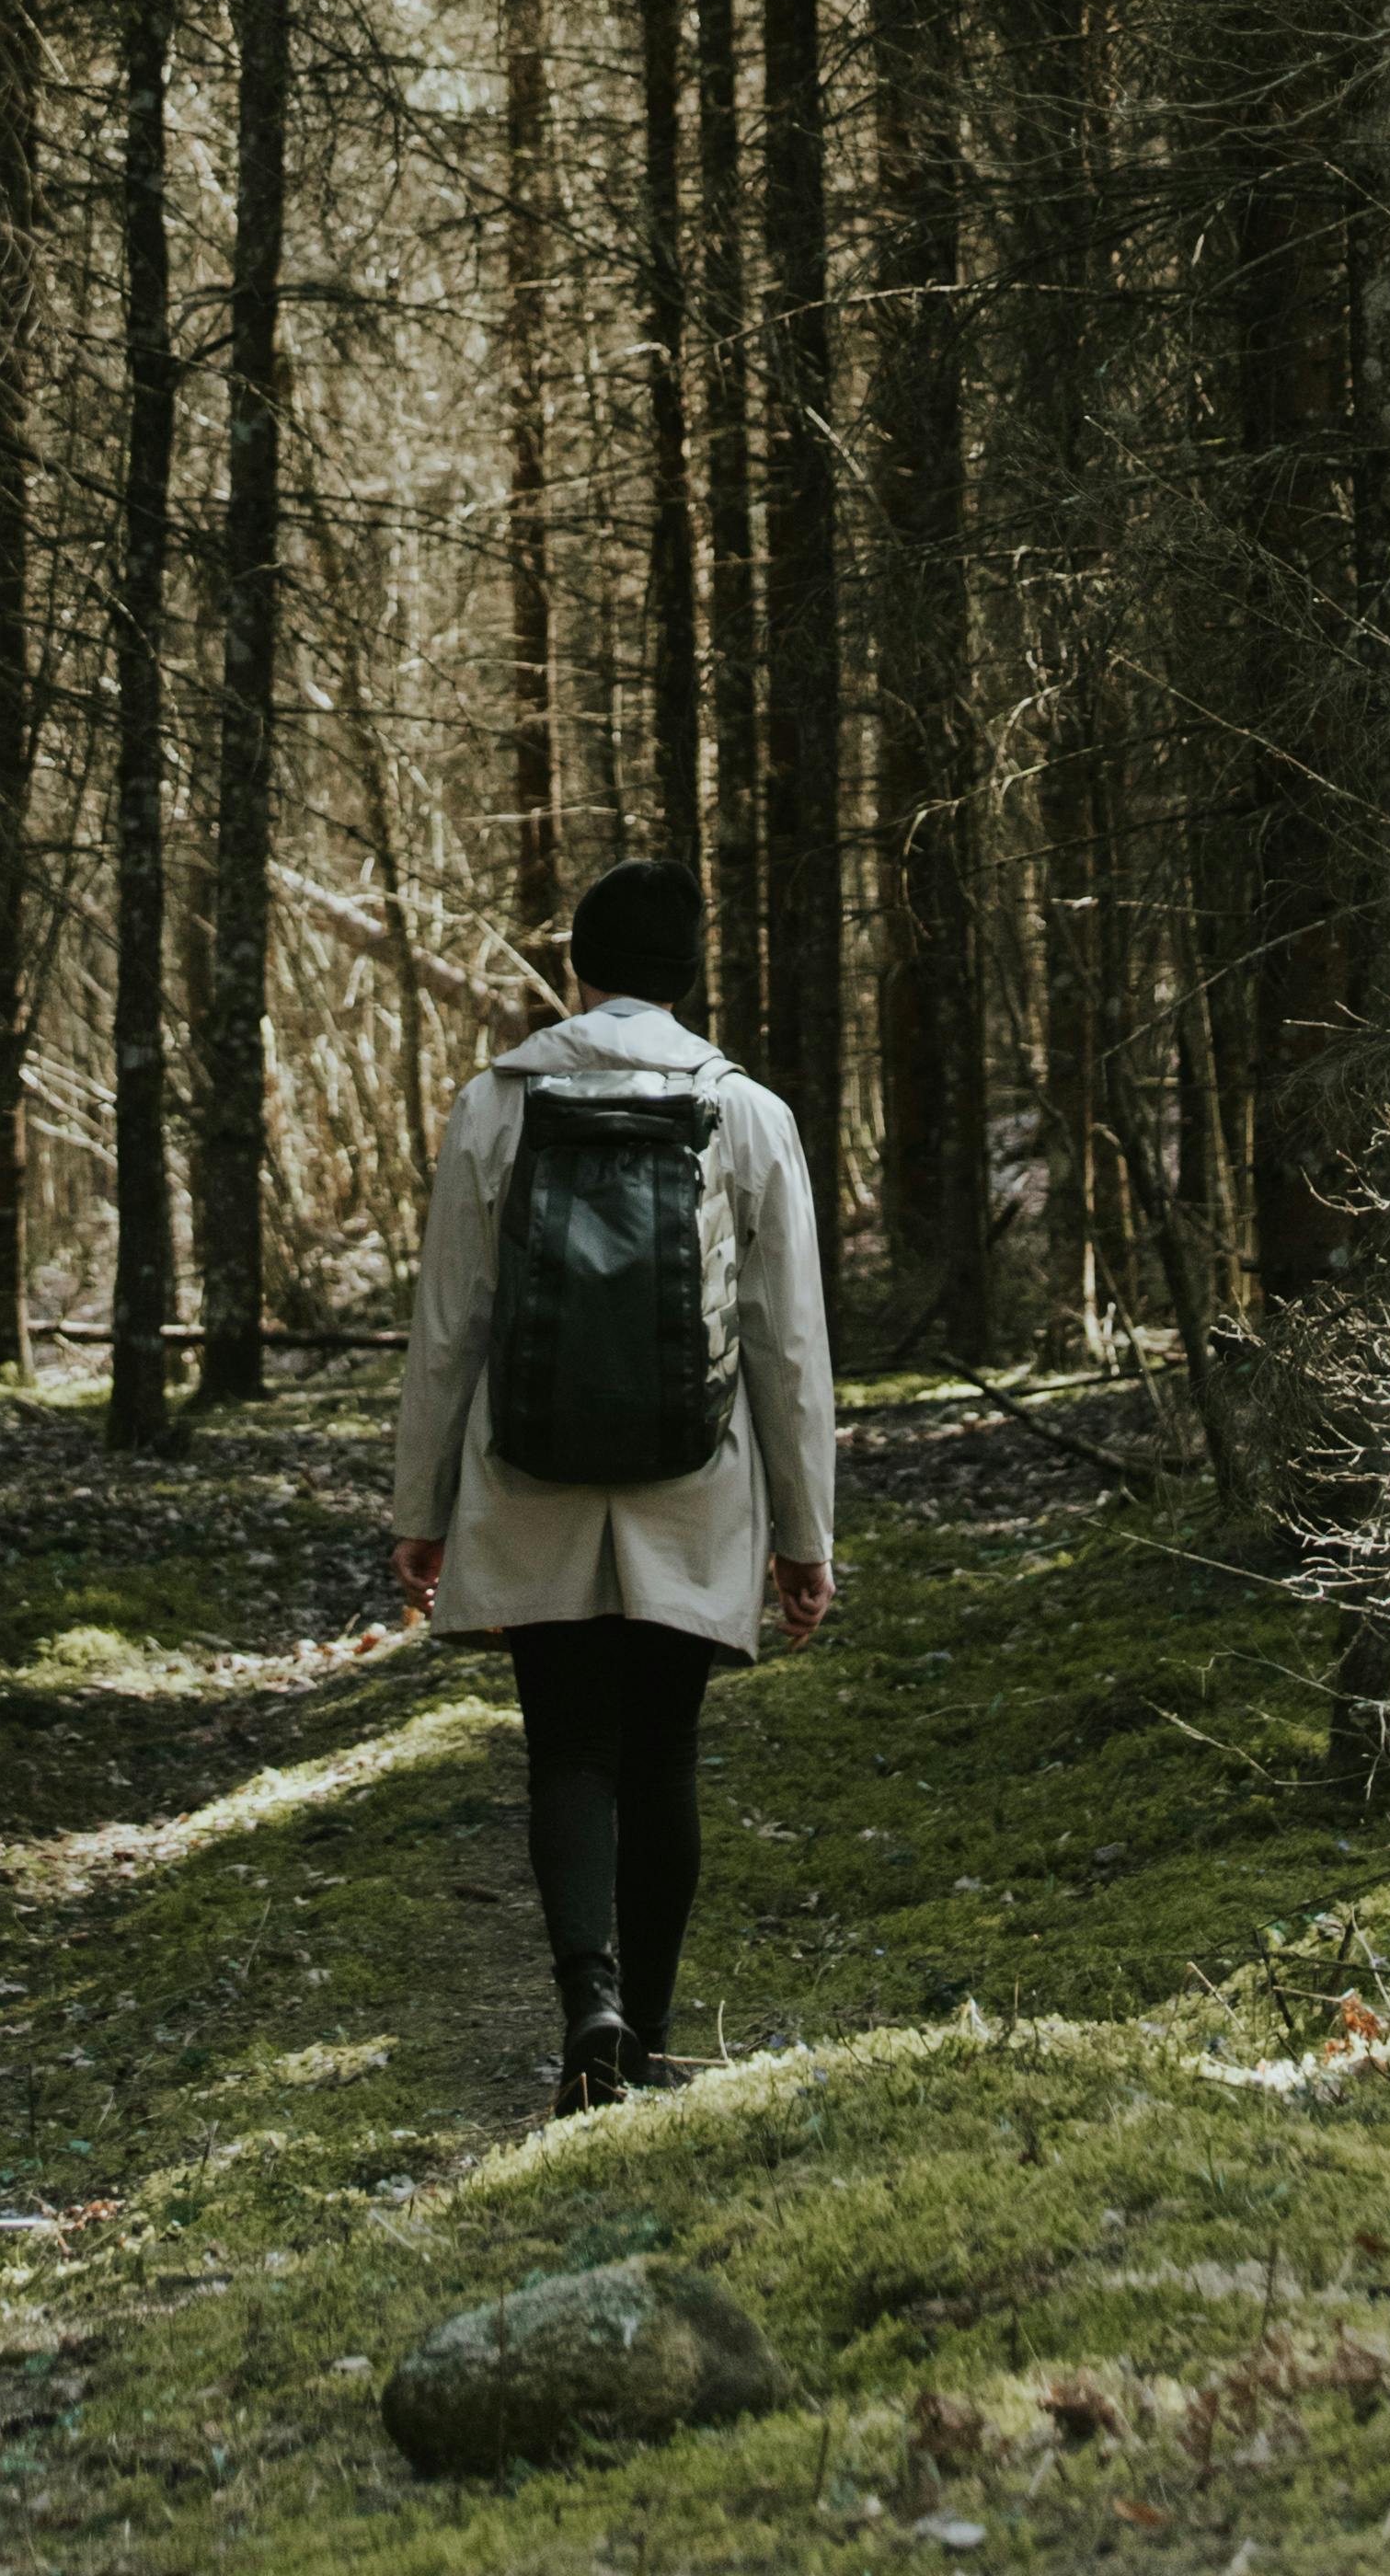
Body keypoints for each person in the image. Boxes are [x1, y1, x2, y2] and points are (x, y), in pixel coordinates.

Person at [386, 854, 837, 2113]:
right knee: (665, 1752)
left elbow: (449, 1324)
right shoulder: (746, 1114)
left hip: (525, 1472)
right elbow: (787, 1346)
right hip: (694, 1480)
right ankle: (646, 2033)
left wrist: (419, 1510)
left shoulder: (498, 1101)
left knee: (569, 1746)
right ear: (692, 979)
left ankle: (584, 1998)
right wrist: (806, 1537)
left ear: (578, 969)